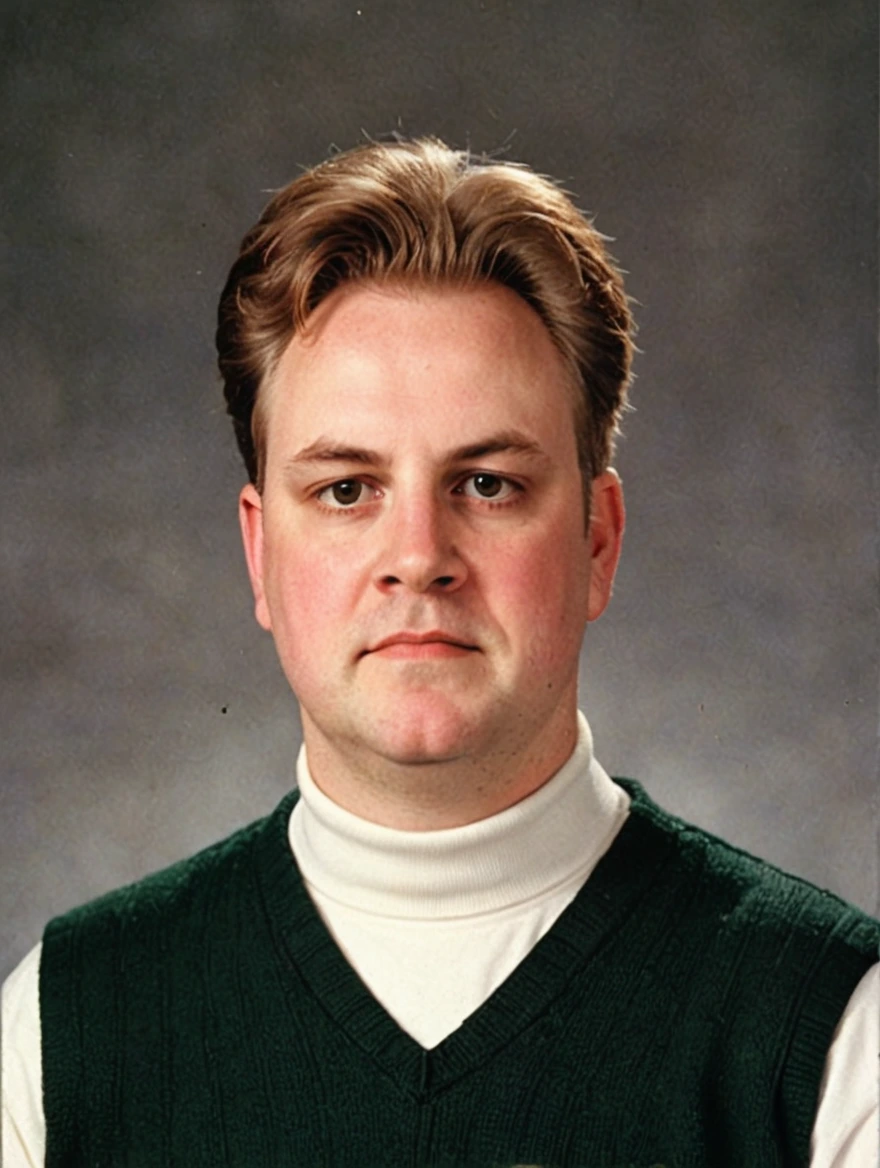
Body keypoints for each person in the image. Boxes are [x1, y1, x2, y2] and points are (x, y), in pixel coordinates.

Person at [2, 137, 878, 1167]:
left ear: (596, 540)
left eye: (488, 483)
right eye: (346, 489)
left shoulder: (830, 1037)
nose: (418, 557)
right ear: (258, 551)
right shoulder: (61, 1035)